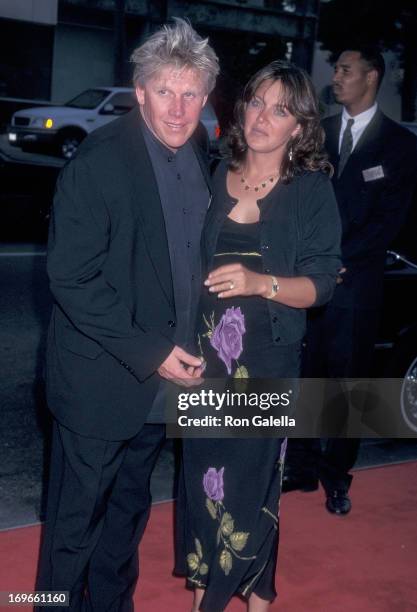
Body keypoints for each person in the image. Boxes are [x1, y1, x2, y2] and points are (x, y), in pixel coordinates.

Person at [36, 18, 219, 611]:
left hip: (164, 384)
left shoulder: (197, 147)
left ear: (206, 96)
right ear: (138, 91)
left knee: (127, 516)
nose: (177, 107)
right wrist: (153, 353)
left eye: (190, 92)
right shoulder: (99, 160)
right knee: (74, 528)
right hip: (101, 381)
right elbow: (71, 276)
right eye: (164, 91)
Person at [175, 60, 341, 612]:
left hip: (266, 356)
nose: (262, 117)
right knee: (202, 483)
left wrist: (258, 282)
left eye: (280, 110)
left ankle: (246, 600)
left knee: (250, 485)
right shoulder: (208, 170)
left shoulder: (311, 191)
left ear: (300, 126)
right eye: (255, 103)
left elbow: (320, 286)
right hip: (204, 356)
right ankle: (206, 587)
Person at [283, 47, 417, 515]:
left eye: (345, 70)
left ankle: (337, 477)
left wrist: (336, 260)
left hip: (356, 286)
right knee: (307, 377)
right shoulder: (320, 134)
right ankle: (298, 465)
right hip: (310, 285)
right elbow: (300, 199)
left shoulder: (400, 145)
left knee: (347, 385)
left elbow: (389, 221)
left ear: (372, 77)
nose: (336, 77)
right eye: (336, 69)